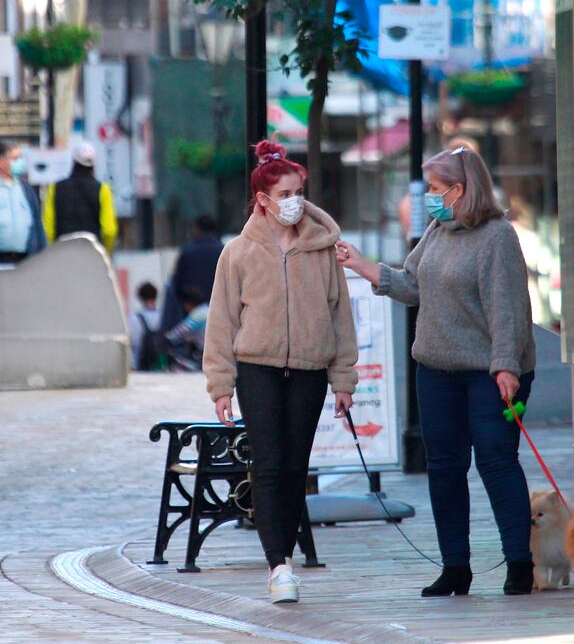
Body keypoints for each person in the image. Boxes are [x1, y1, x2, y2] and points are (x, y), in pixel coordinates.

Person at [336, 145, 537, 598]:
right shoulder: (438, 230)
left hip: (489, 372)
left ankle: (519, 563)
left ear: (459, 190)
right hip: (436, 369)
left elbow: (508, 308)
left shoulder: (498, 237)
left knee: (496, 461)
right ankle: (455, 567)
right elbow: (412, 285)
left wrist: (506, 366)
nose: (428, 195)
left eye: (434, 187)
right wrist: (360, 264)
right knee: (444, 467)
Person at [203, 140, 359, 604]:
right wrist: (220, 385)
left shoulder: (323, 250)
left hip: (310, 370)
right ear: (263, 200)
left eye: (299, 192)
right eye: (285, 194)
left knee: (295, 468)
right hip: (258, 369)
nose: (295, 202)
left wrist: (344, 379)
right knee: (269, 465)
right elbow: (221, 321)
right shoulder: (237, 253)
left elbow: (340, 316)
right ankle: (279, 566)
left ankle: (285, 555)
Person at [43, 142, 118, 251]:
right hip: (92, 253)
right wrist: (105, 251)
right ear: (93, 165)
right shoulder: (103, 189)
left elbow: (48, 227)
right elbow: (109, 230)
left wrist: (52, 249)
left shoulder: (54, 188)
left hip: (62, 252)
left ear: (73, 162)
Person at [162, 214, 225, 333]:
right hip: (219, 312)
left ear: (197, 229)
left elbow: (176, 285)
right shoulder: (223, 250)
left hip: (192, 313)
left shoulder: (187, 251)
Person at [165, 285, 208, 372]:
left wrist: (167, 337)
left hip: (203, 351)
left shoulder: (197, 315)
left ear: (188, 304)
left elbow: (181, 331)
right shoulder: (207, 309)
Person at [128, 282, 163, 371]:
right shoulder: (164, 316)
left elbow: (134, 343)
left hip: (141, 367)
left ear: (141, 298)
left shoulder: (134, 318)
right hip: (162, 367)